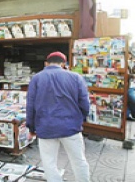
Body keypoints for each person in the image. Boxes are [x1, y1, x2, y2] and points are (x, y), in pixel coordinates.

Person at [26, 51, 90, 182]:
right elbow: (85, 103)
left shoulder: (36, 78)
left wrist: (31, 127)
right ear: (64, 64)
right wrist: (80, 119)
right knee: (79, 160)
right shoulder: (76, 77)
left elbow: (30, 106)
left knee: (49, 163)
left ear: (46, 63)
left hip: (45, 127)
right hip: (71, 126)